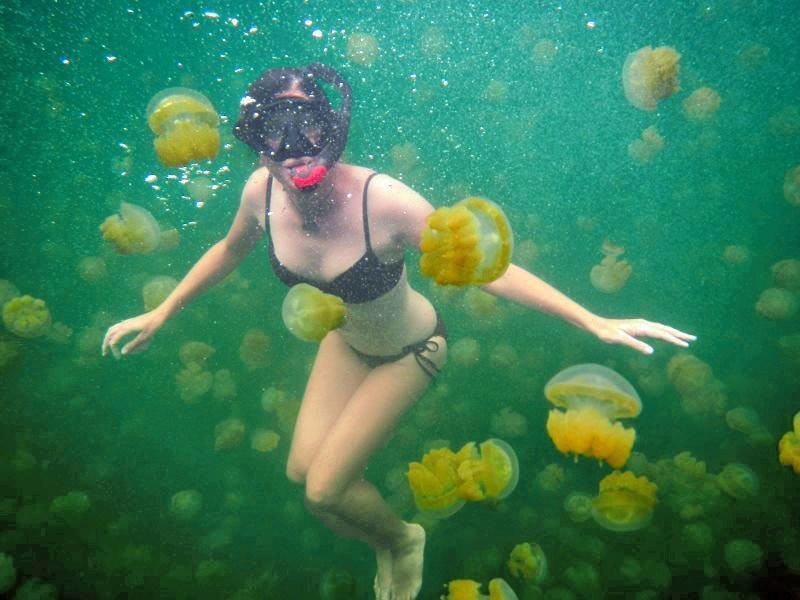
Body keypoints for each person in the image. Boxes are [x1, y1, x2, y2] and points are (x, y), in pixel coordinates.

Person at [102, 63, 696, 600]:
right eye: (273, 129)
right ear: (255, 143)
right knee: (301, 477)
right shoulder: (260, 193)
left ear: (332, 127)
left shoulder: (383, 201)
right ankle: (384, 540)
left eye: (307, 124)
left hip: (412, 349)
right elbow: (230, 249)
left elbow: (488, 269)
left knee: (325, 490)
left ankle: (405, 539)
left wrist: (592, 319)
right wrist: (164, 310)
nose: (292, 146)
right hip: (345, 343)